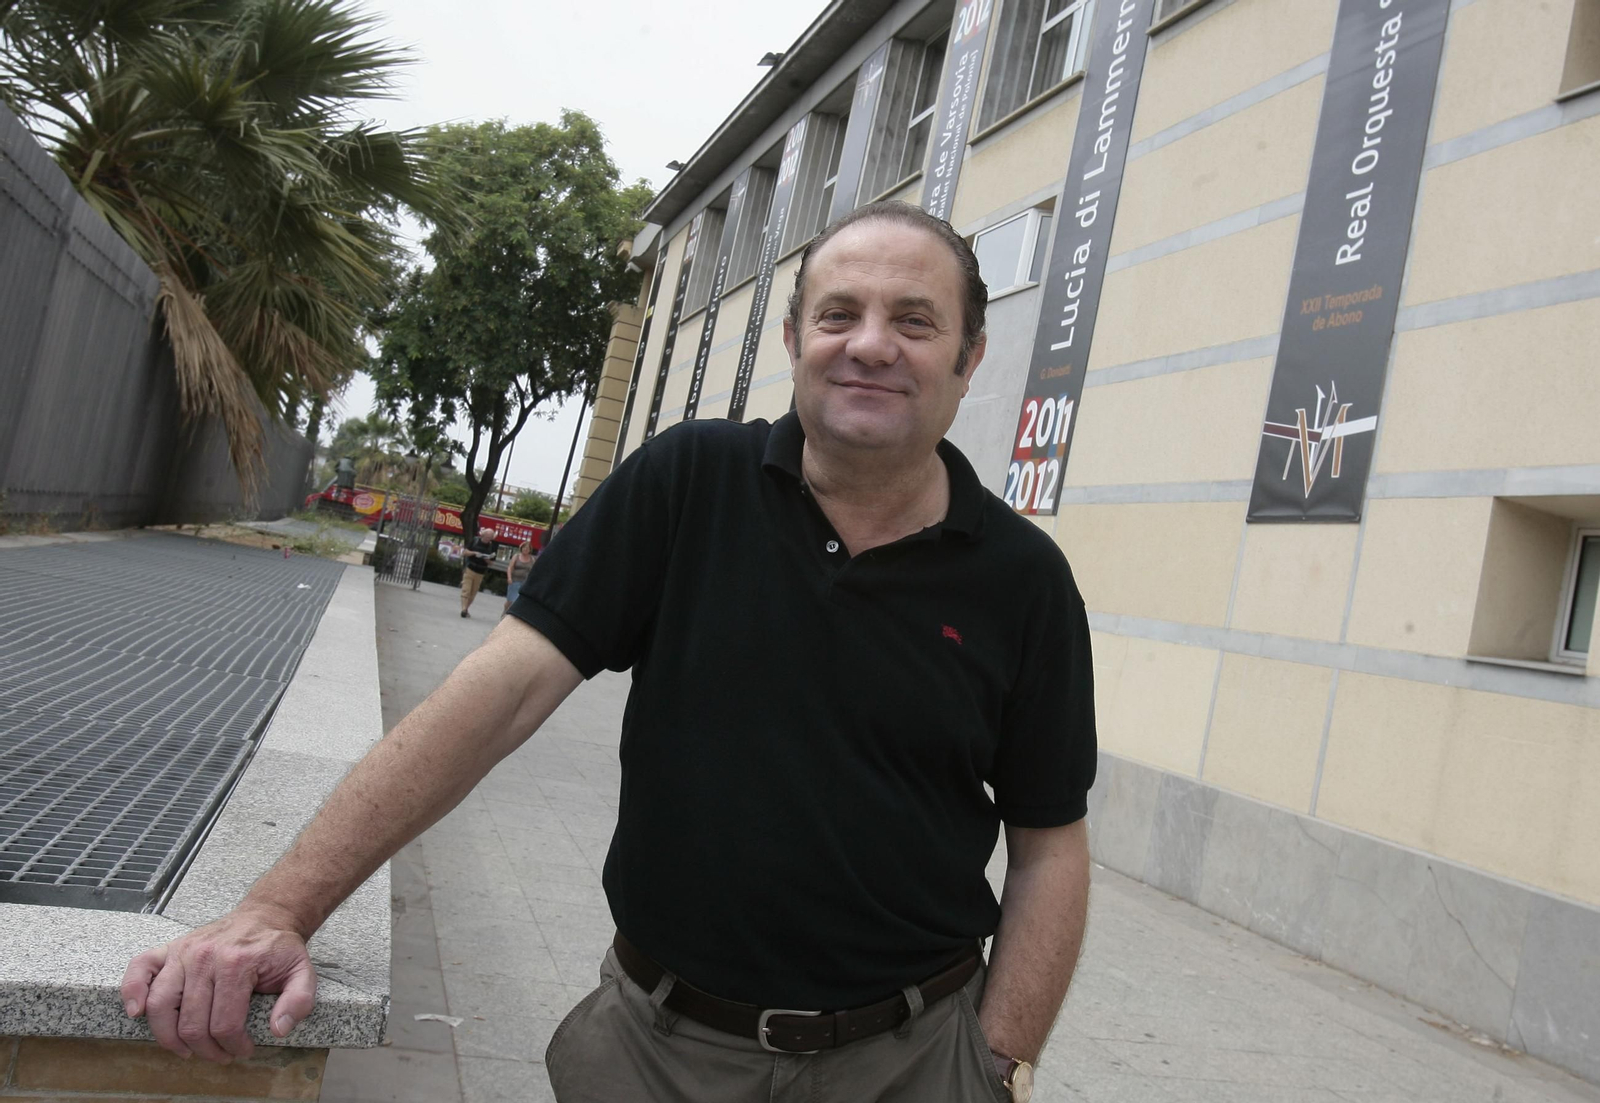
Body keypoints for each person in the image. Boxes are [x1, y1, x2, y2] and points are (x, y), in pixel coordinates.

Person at [122, 201, 1096, 1103]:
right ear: (795, 340)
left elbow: (1049, 844)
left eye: (915, 321)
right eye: (839, 312)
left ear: (968, 355)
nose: (871, 343)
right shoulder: (688, 483)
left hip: (910, 1061)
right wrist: (279, 906)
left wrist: (994, 1062)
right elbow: (498, 693)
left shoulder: (1024, 579)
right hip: (655, 1050)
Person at [458, 524, 498, 618]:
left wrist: (486, 559)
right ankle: (463, 609)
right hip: (470, 568)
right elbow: (465, 552)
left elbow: (492, 562)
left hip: (481, 571)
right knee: (466, 589)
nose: (488, 539)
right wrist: (474, 553)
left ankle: (466, 608)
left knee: (473, 592)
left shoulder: (492, 546)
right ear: (482, 535)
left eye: (490, 537)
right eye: (487, 536)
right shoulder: (475, 541)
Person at [502, 538, 535, 615]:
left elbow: (533, 571)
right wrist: (509, 578)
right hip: (514, 581)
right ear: (521, 548)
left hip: (524, 582)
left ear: (530, 550)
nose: (525, 549)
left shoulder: (532, 559)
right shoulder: (516, 556)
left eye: (527, 548)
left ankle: (511, 615)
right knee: (510, 600)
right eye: (524, 548)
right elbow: (510, 567)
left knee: (517, 600)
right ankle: (505, 611)